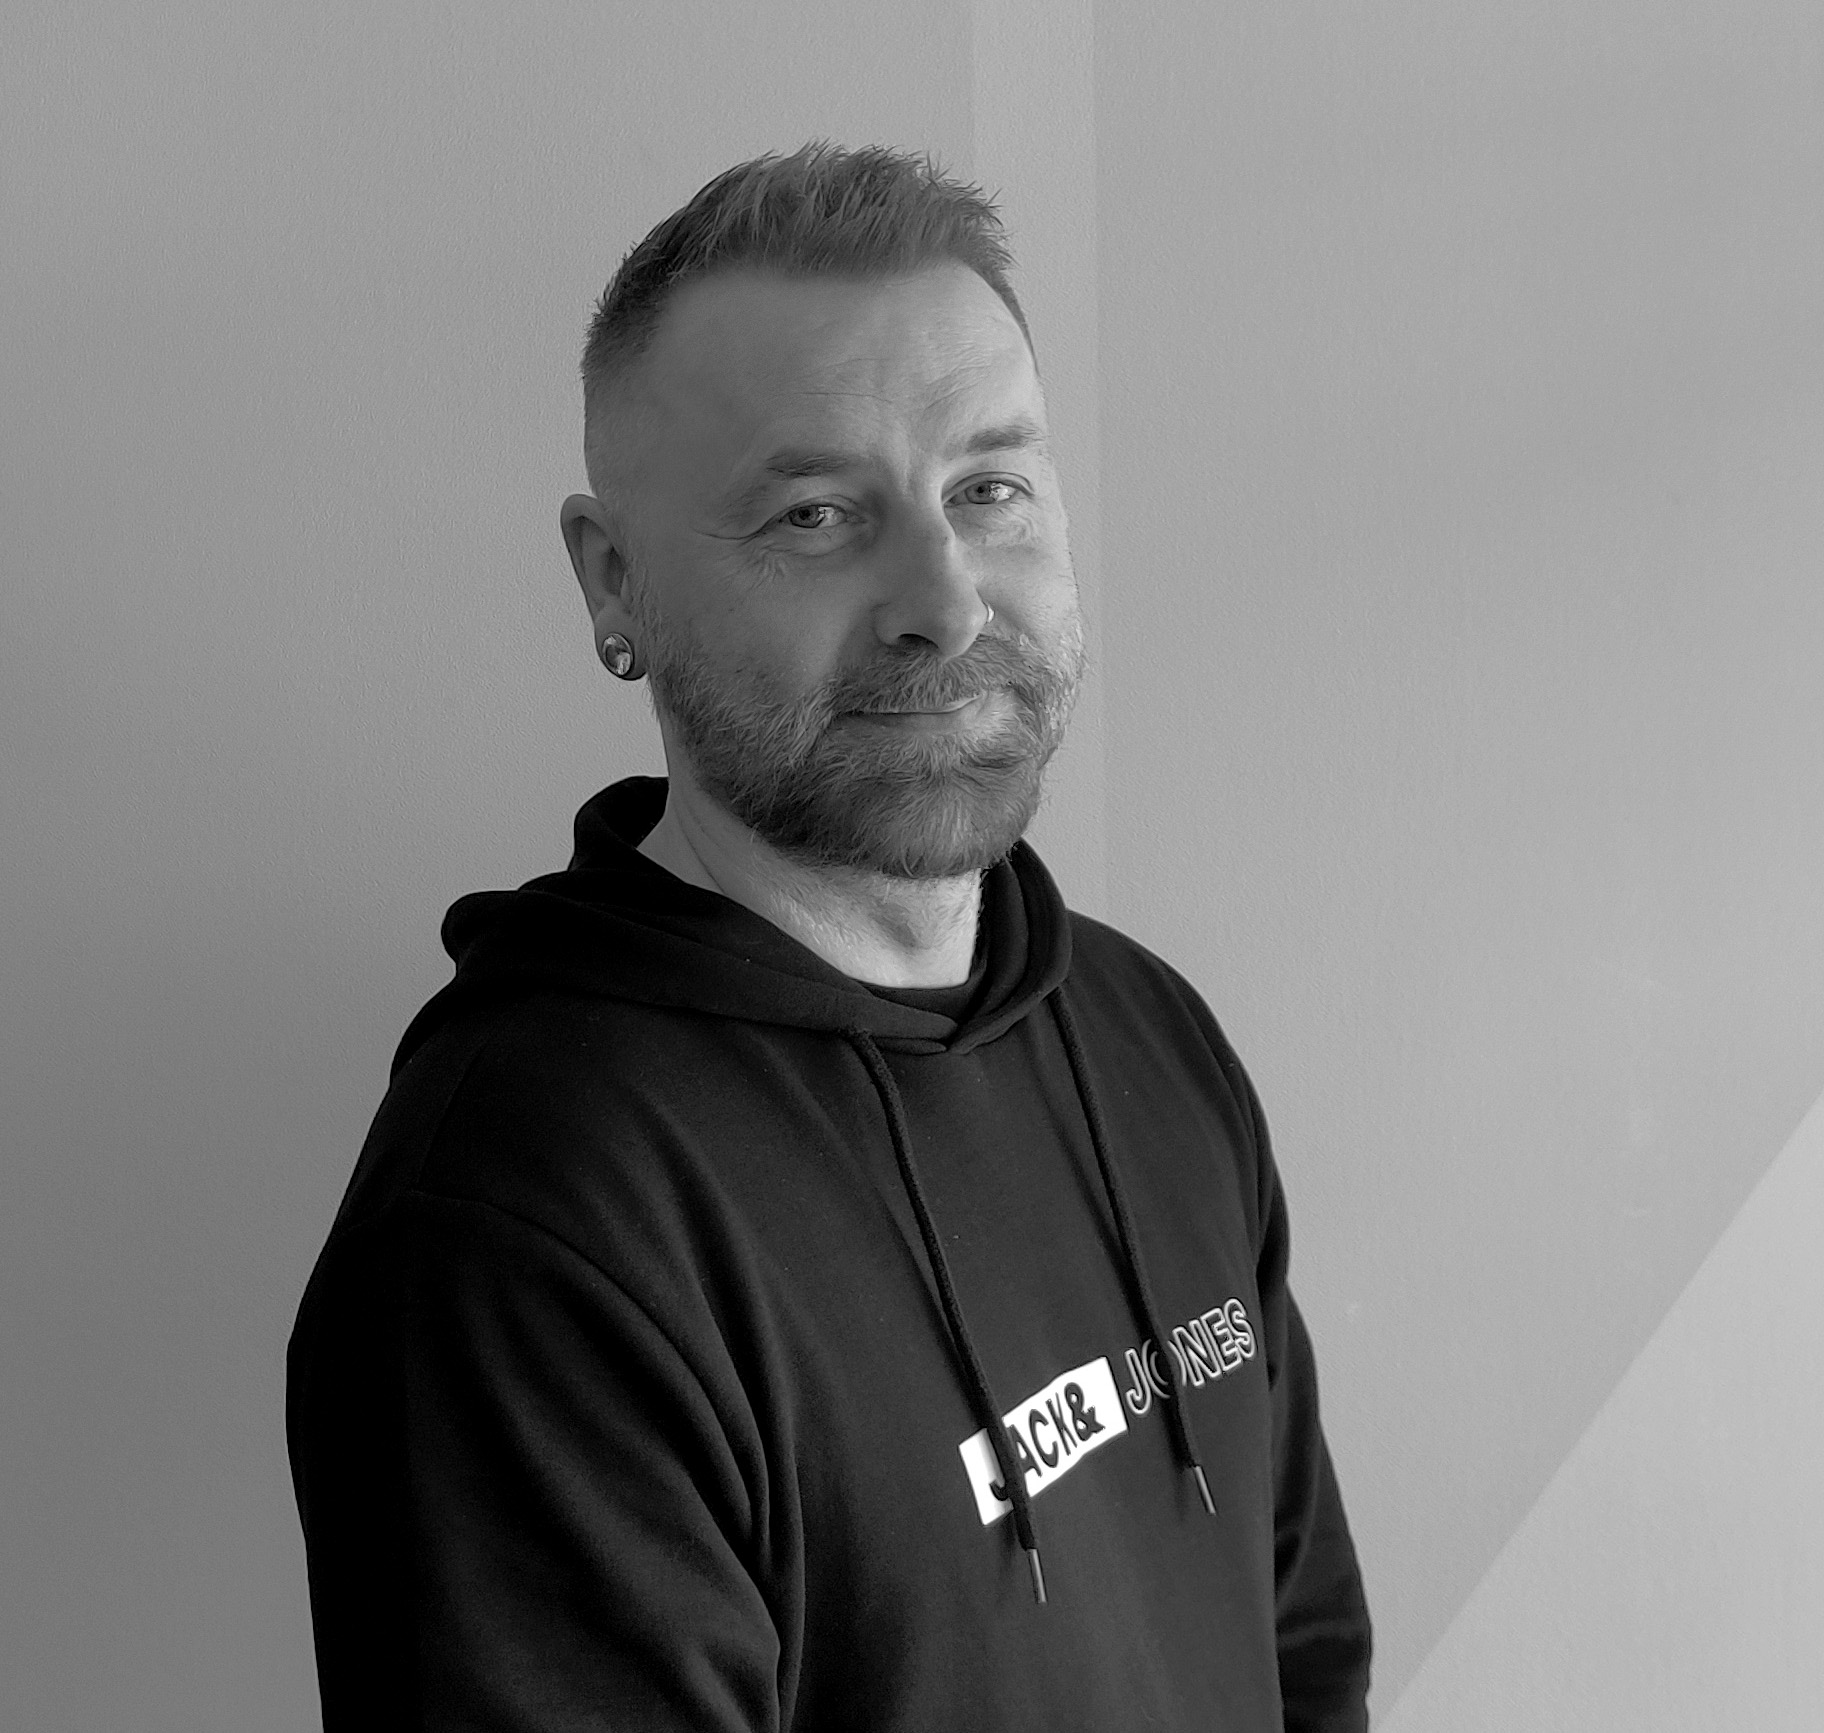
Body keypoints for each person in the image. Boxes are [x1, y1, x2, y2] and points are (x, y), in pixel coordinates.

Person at [287, 142, 1372, 1732]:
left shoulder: (1146, 1032)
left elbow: (1304, 1656)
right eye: (814, 514)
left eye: (988, 488)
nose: (946, 600)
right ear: (612, 579)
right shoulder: (527, 1227)